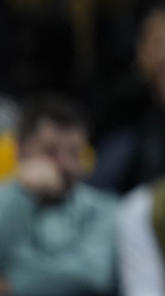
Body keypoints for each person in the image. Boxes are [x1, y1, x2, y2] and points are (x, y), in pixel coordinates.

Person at [0, 93, 118, 295]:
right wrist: (20, 192)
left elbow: (91, 275)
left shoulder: (104, 209)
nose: (63, 164)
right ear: (20, 150)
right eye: (51, 151)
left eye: (73, 153)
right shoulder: (6, 199)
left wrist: (13, 284)